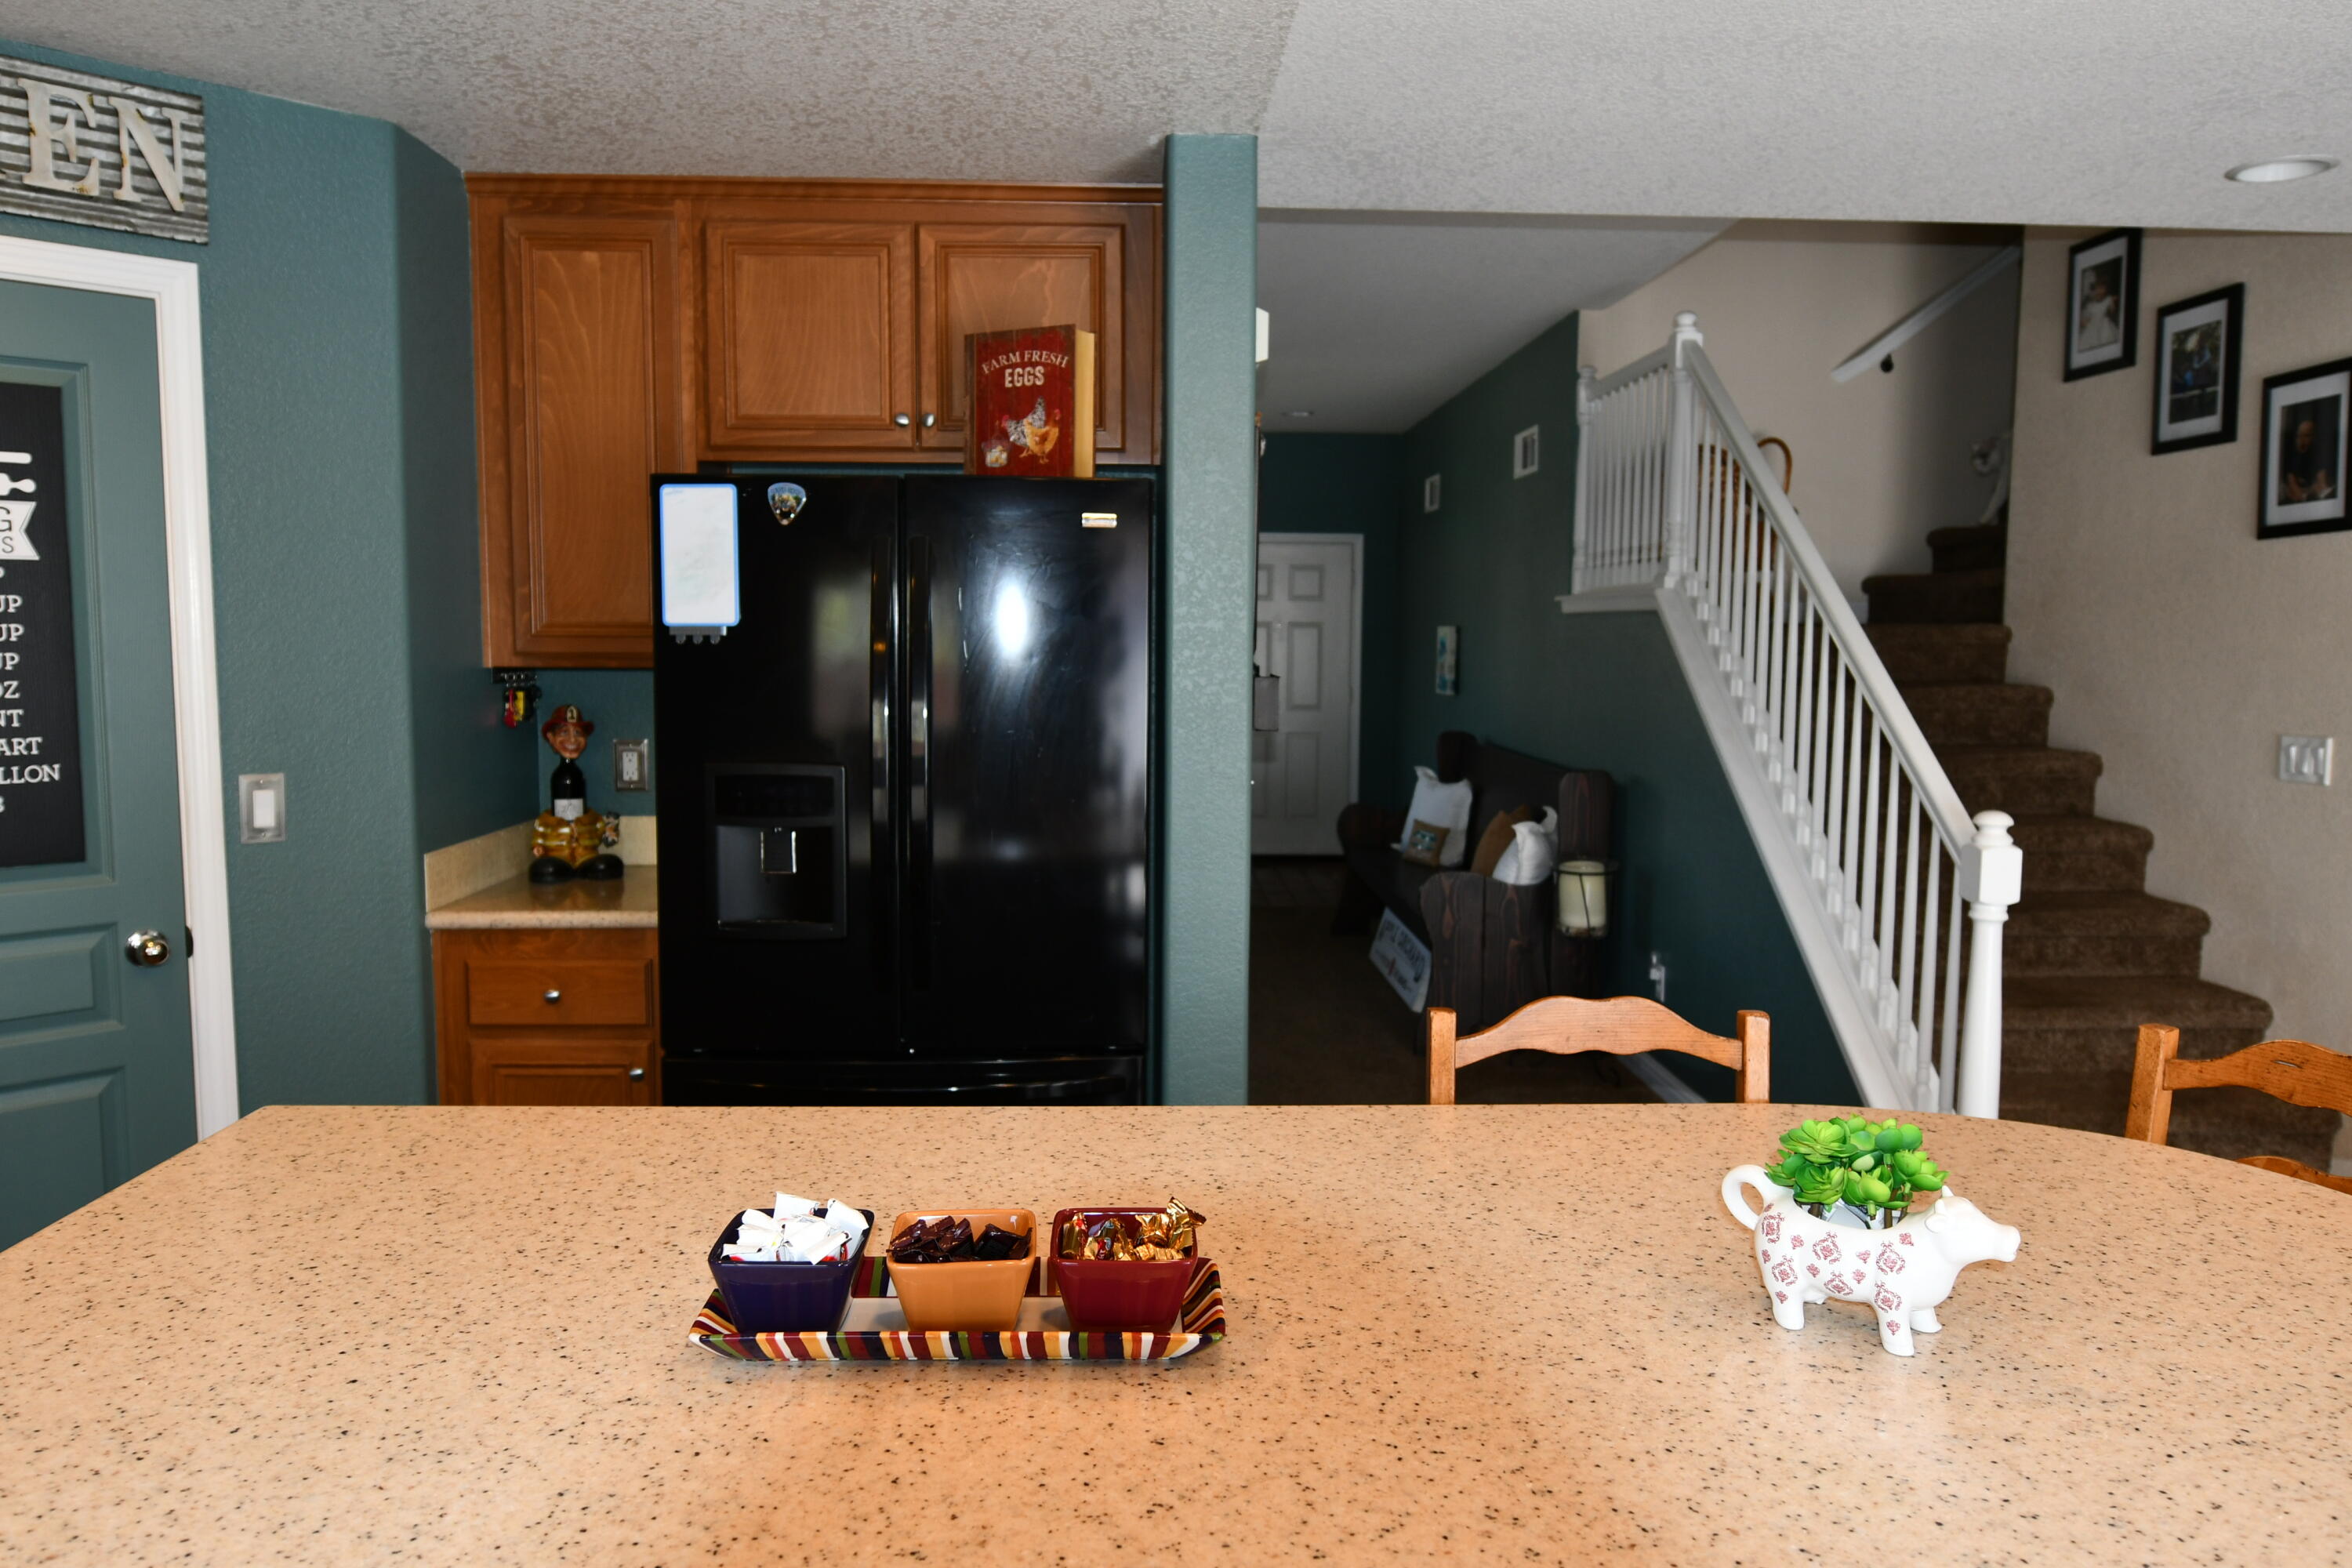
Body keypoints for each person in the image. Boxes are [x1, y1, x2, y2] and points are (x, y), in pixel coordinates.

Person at [2280, 414, 2337, 505]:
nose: (2302, 441)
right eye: (2299, 436)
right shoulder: (2292, 461)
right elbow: (2295, 490)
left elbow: (2323, 487)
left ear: (2314, 438)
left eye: (2306, 436)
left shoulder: (2320, 458)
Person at [2076, 266, 2121, 353]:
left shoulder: (2108, 300)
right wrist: (2085, 322)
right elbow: (2086, 316)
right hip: (2092, 324)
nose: (2100, 290)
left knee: (2105, 336)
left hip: (2103, 323)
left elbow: (2112, 310)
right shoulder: (2091, 304)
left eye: (2103, 288)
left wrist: (2113, 304)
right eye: (2098, 288)